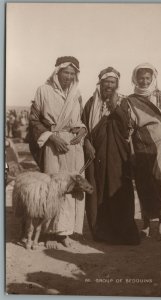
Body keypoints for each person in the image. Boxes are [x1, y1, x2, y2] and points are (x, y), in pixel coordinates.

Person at [29, 56, 86, 248]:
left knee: (70, 187)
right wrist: (52, 138)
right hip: (52, 143)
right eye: (65, 72)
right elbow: (34, 120)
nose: (68, 77)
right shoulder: (43, 91)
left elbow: (80, 121)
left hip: (72, 146)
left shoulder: (77, 93)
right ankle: (49, 233)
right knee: (53, 188)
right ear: (57, 72)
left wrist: (82, 131)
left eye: (72, 73)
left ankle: (64, 232)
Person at [82, 67, 140, 245]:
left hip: (117, 156)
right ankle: (101, 233)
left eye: (112, 82)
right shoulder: (91, 103)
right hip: (96, 154)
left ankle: (123, 234)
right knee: (98, 191)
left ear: (117, 84)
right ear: (100, 83)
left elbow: (128, 126)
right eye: (106, 82)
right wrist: (87, 144)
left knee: (118, 190)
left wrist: (115, 107)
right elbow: (82, 127)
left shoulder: (123, 102)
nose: (109, 85)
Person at [126, 63, 161, 239]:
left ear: (153, 79)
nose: (144, 81)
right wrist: (132, 151)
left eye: (147, 78)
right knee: (145, 184)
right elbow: (129, 127)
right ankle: (145, 225)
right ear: (136, 78)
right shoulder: (130, 100)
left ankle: (160, 226)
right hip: (142, 148)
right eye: (141, 78)